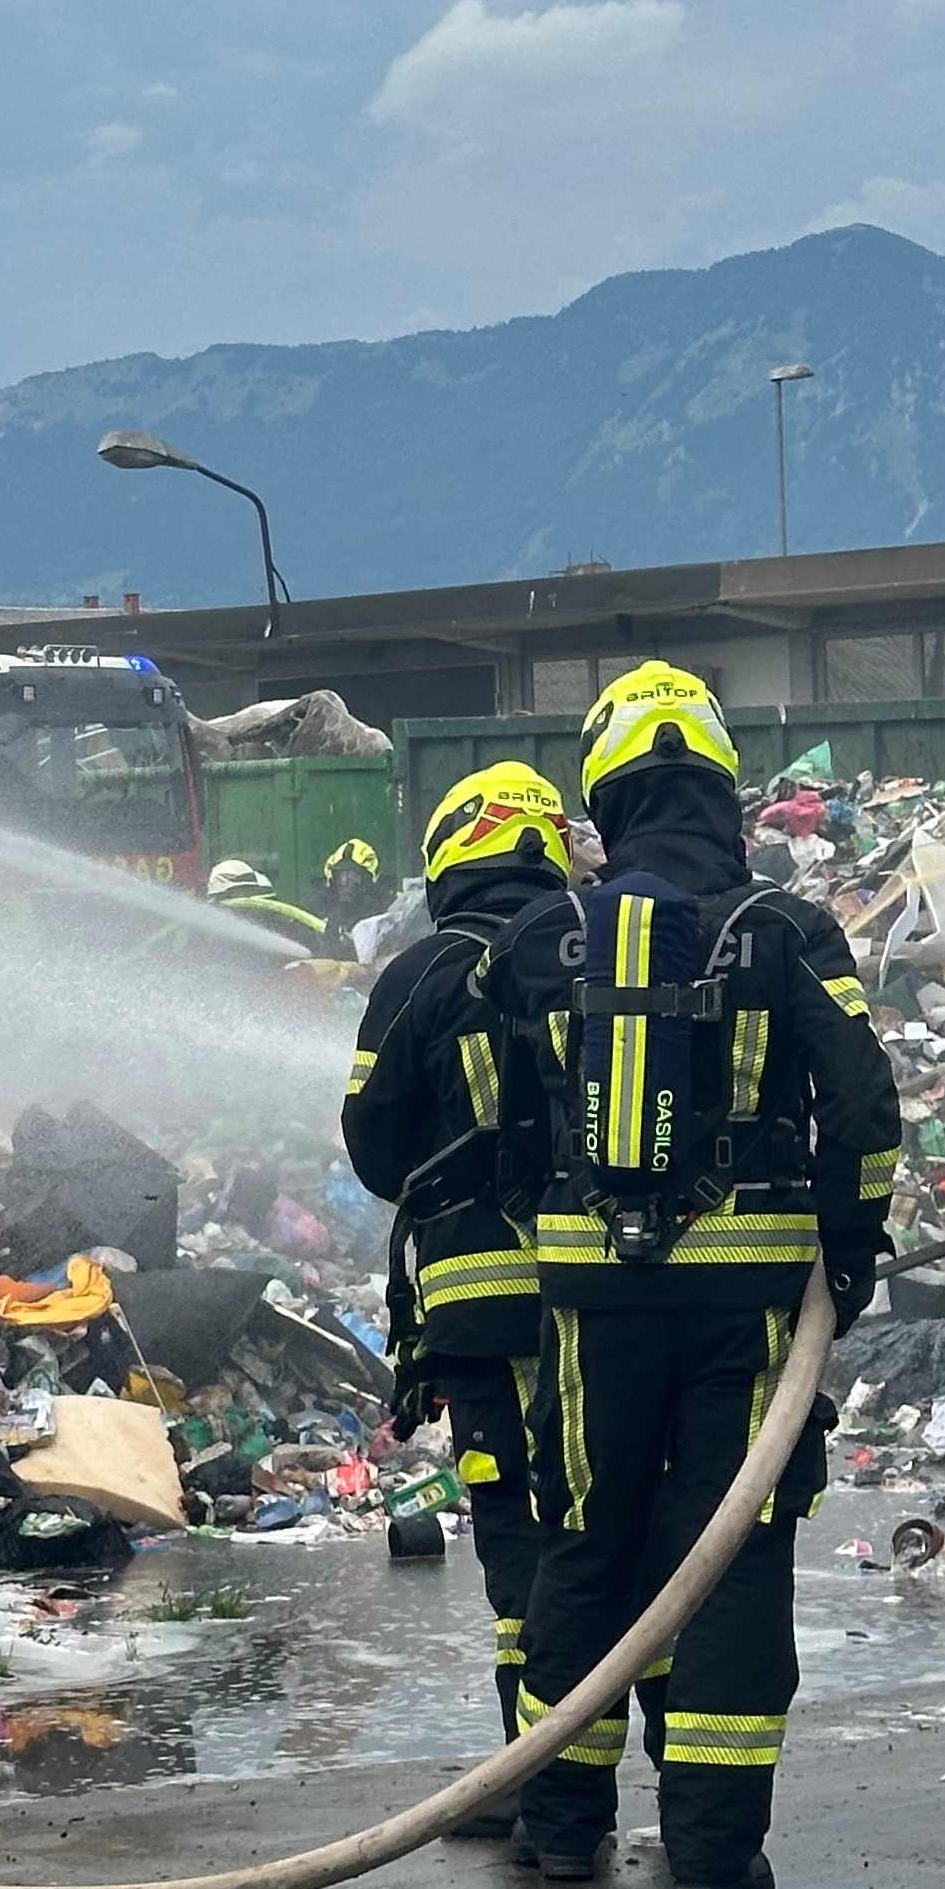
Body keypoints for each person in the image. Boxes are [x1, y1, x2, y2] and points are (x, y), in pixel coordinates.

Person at [480, 662, 897, 1889]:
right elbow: (865, 1109)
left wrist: (557, 1241)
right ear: (724, 794)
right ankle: (713, 1861)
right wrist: (852, 1247)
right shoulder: (787, 930)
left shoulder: (536, 943)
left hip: (589, 1308)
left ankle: (560, 1830)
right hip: (751, 1308)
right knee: (728, 1562)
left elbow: (502, 1132)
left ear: (605, 795)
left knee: (587, 1548)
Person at [341, 763, 571, 1825]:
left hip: (482, 1314)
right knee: (617, 1525)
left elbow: (378, 1154)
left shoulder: (419, 972)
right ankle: (666, 1787)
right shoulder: (604, 949)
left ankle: (534, 1783)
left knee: (518, 1539)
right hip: (609, 1302)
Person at [206, 859, 328, 950]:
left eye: (251, 891)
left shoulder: (278, 931)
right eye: (242, 891)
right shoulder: (208, 935)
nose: (250, 899)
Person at [316, 835, 390, 937]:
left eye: (354, 875)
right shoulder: (321, 905)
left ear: (367, 880)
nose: (346, 881)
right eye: (342, 874)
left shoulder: (382, 912)